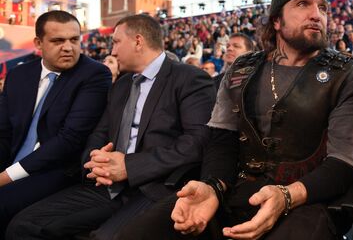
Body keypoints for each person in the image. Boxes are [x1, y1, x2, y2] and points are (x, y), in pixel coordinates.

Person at [117, 0, 353, 240]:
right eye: (303, 4)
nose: (317, 14)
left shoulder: (344, 72)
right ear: (276, 20)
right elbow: (222, 140)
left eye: (323, 7)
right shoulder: (242, 68)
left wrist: (287, 196)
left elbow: (343, 162)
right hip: (237, 189)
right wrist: (213, 187)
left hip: (308, 199)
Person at [7, 14, 216, 240]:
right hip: (105, 185)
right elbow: (100, 133)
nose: (112, 52)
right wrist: (95, 161)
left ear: (138, 41)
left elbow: (197, 142)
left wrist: (129, 167)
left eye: (116, 42)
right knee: (23, 225)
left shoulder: (190, 78)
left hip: (155, 187)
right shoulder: (122, 84)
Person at [0, 10, 111, 238]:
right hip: (13, 163)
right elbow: (4, 132)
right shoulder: (18, 75)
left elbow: (69, 140)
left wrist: (5, 176)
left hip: (57, 170)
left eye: (74, 39)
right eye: (58, 41)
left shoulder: (95, 74)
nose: (68, 47)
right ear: (38, 43)